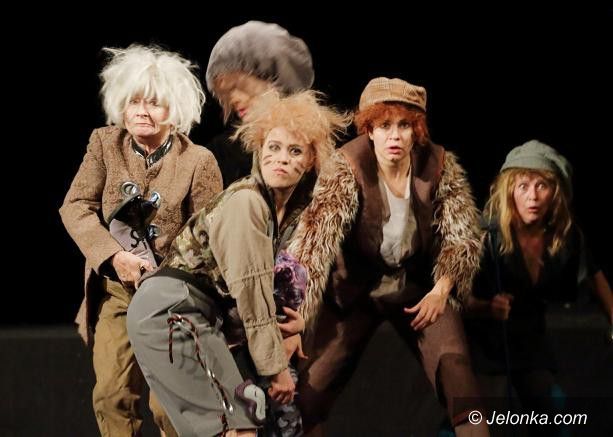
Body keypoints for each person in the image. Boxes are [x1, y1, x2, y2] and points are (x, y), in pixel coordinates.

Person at [127, 90, 349, 437]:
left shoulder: (278, 213)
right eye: (273, 147)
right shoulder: (247, 202)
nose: (281, 159)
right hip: (172, 313)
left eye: (295, 151)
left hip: (187, 314)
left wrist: (285, 326)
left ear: (310, 161)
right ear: (259, 150)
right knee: (235, 428)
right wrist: (276, 369)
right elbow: (250, 291)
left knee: (241, 425)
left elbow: (244, 295)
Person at [286, 77, 488, 436]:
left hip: (418, 290)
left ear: (416, 131)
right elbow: (313, 245)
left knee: (460, 382)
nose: (394, 136)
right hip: (355, 292)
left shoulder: (438, 165)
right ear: (369, 130)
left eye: (404, 125)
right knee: (308, 395)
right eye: (384, 126)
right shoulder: (347, 166)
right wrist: (296, 319)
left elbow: (463, 237)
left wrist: (441, 290)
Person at [59, 44, 222, 437]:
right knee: (112, 396)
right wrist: (115, 257)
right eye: (134, 101)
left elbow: (211, 236)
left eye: (153, 103)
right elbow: (75, 206)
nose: (141, 111)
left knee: (168, 405)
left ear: (175, 110)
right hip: (116, 291)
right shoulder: (104, 144)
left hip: (171, 298)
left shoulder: (198, 161)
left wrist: (172, 279)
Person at [464, 140, 613, 432]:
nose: (532, 196)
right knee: (471, 422)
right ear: (509, 190)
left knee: (555, 419)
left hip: (529, 342)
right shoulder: (485, 235)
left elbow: (594, 276)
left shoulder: (564, 235)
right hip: (482, 345)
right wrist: (486, 307)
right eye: (523, 186)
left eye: (541, 186)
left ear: (555, 192)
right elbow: (455, 298)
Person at [205, 20, 315, 187]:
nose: (233, 99)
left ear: (273, 78)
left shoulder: (312, 143)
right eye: (226, 93)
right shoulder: (221, 152)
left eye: (238, 86)